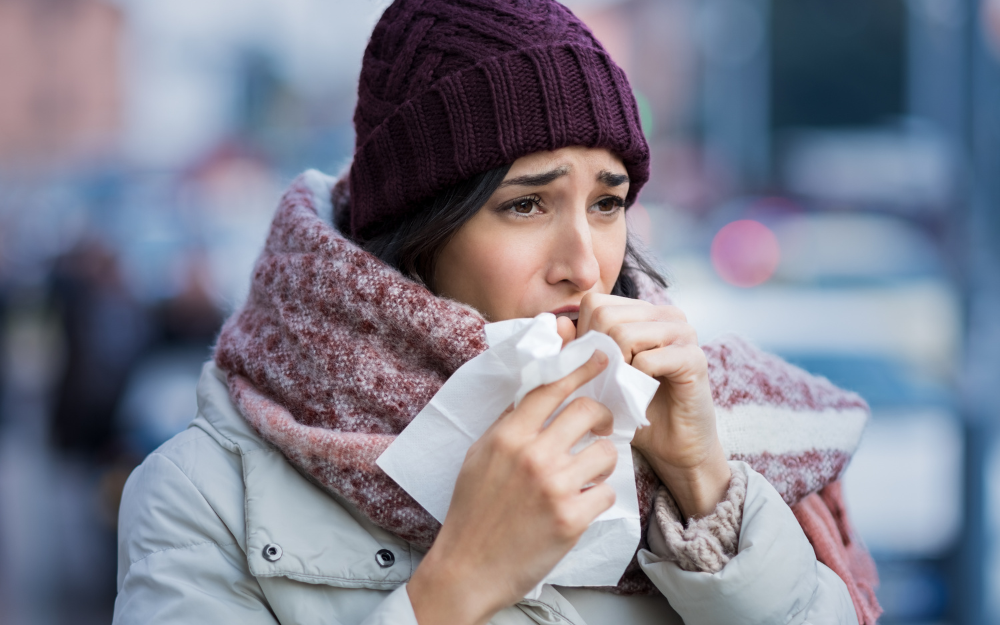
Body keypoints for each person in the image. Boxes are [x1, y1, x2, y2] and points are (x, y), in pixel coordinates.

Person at [113, 1, 882, 624]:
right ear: (419, 231)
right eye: (525, 204)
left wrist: (704, 482)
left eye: (608, 201)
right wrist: (451, 589)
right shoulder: (205, 494)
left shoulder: (692, 419)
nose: (585, 263)